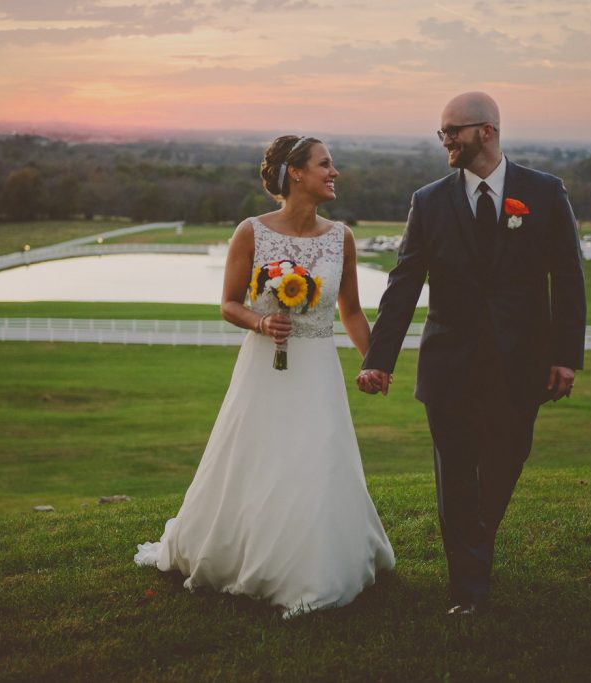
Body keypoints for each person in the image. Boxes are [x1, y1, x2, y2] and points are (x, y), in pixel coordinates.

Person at [134, 135, 395, 619]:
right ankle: (244, 552)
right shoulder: (252, 232)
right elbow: (229, 303)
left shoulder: (342, 237)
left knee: (319, 459)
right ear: (295, 173)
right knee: (257, 459)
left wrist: (374, 361)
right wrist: (260, 321)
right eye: (325, 164)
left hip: (317, 368)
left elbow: (353, 311)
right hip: (264, 366)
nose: (333, 173)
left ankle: (316, 566)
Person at [357, 92, 586, 616]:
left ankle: (474, 542)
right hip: (449, 365)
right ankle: (468, 592)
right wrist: (378, 359)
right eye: (441, 133)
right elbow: (404, 282)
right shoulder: (429, 200)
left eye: (452, 131)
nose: (445, 142)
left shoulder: (546, 193)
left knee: (506, 463)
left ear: (486, 131)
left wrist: (565, 356)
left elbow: (569, 279)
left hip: (522, 363)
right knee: (455, 473)